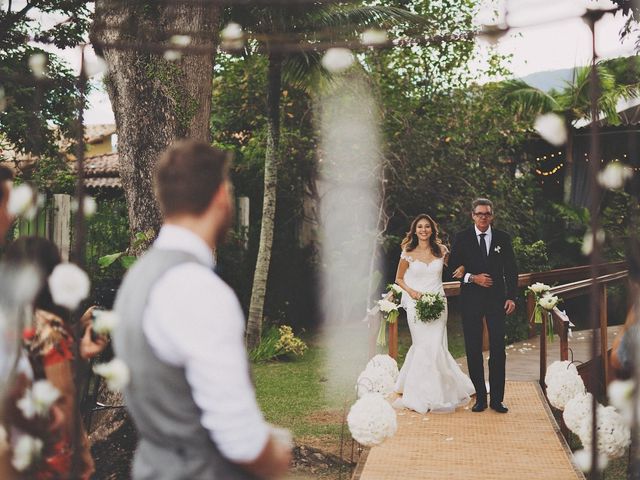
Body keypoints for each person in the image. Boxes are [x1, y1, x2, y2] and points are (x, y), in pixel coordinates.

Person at [113, 140, 291, 479]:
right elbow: (240, 440)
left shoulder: (139, 276)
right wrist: (277, 456)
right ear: (222, 197)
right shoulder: (197, 288)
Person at [4, 237, 95, 479]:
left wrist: (74, 335)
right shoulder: (49, 328)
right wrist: (83, 449)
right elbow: (63, 393)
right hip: (45, 447)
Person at [393, 214, 475, 414]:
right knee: (422, 345)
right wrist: (412, 292)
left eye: (427, 226)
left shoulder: (441, 251)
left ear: (432, 230)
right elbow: (399, 279)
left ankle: (440, 391)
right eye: (420, 226)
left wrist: (463, 267)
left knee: (436, 345)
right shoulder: (408, 252)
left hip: (439, 303)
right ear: (415, 230)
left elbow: (457, 266)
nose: (423, 230)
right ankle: (420, 393)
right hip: (415, 303)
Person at [449, 198, 518, 414]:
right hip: (471, 301)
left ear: (492, 216)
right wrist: (472, 277)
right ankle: (480, 397)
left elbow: (512, 271)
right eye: (479, 214)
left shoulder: (502, 239)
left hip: (497, 301)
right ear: (472, 215)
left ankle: (497, 400)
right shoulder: (462, 238)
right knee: (473, 349)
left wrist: (512, 297)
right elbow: (452, 268)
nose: (483, 217)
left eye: (487, 214)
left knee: (498, 349)